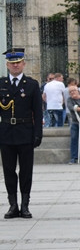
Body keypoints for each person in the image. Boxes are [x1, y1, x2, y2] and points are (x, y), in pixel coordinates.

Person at [0, 48, 42, 219]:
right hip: (6, 133)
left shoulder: (31, 85)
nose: (15, 65)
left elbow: (38, 112)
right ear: (7, 65)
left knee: (26, 171)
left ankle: (25, 205)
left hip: (25, 133)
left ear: (24, 64)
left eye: (18, 62)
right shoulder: (1, 84)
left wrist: (38, 134)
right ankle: (13, 205)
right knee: (9, 171)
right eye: (12, 63)